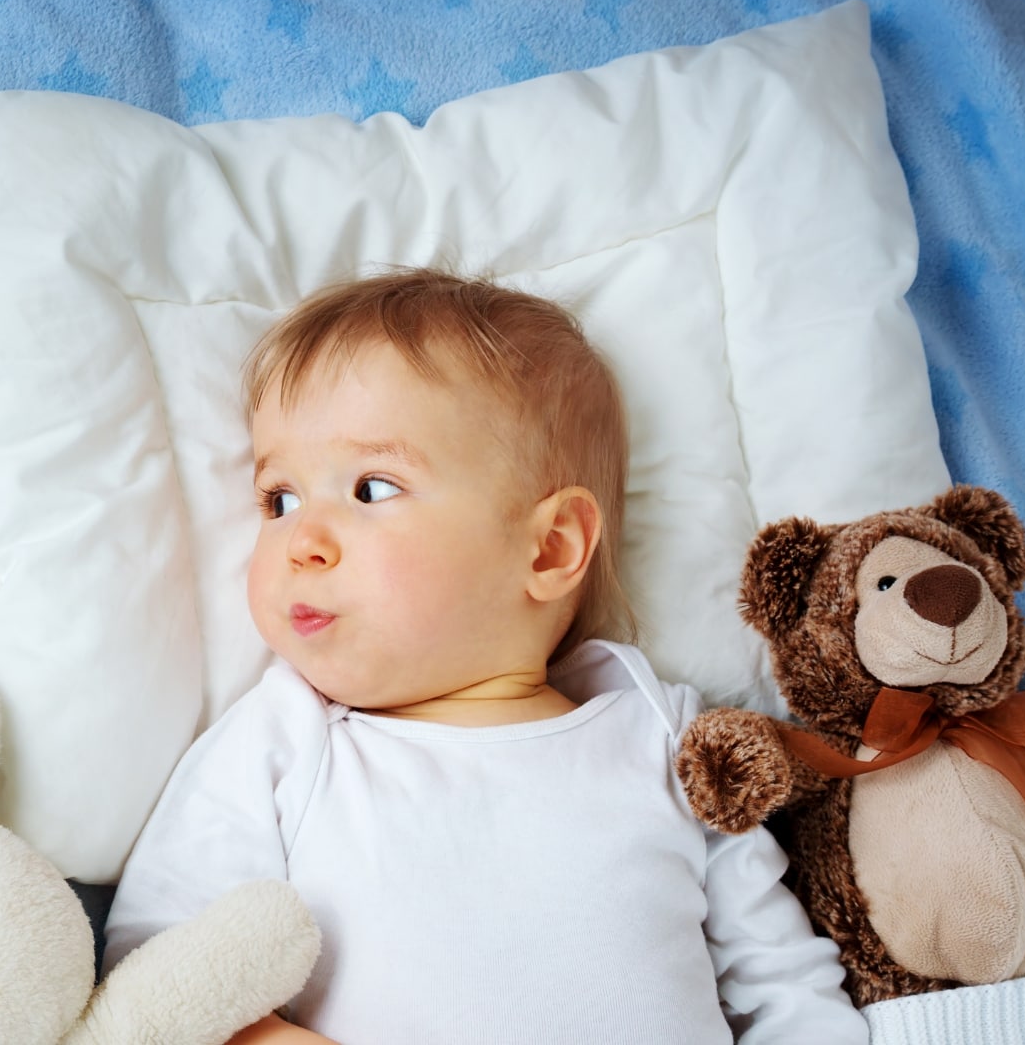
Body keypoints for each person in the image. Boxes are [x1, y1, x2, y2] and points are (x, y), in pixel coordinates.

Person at [101, 269, 866, 1044]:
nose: (303, 541)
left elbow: (786, 987)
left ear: (551, 548)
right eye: (280, 500)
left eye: (371, 488)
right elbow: (156, 973)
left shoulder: (667, 742)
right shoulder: (287, 741)